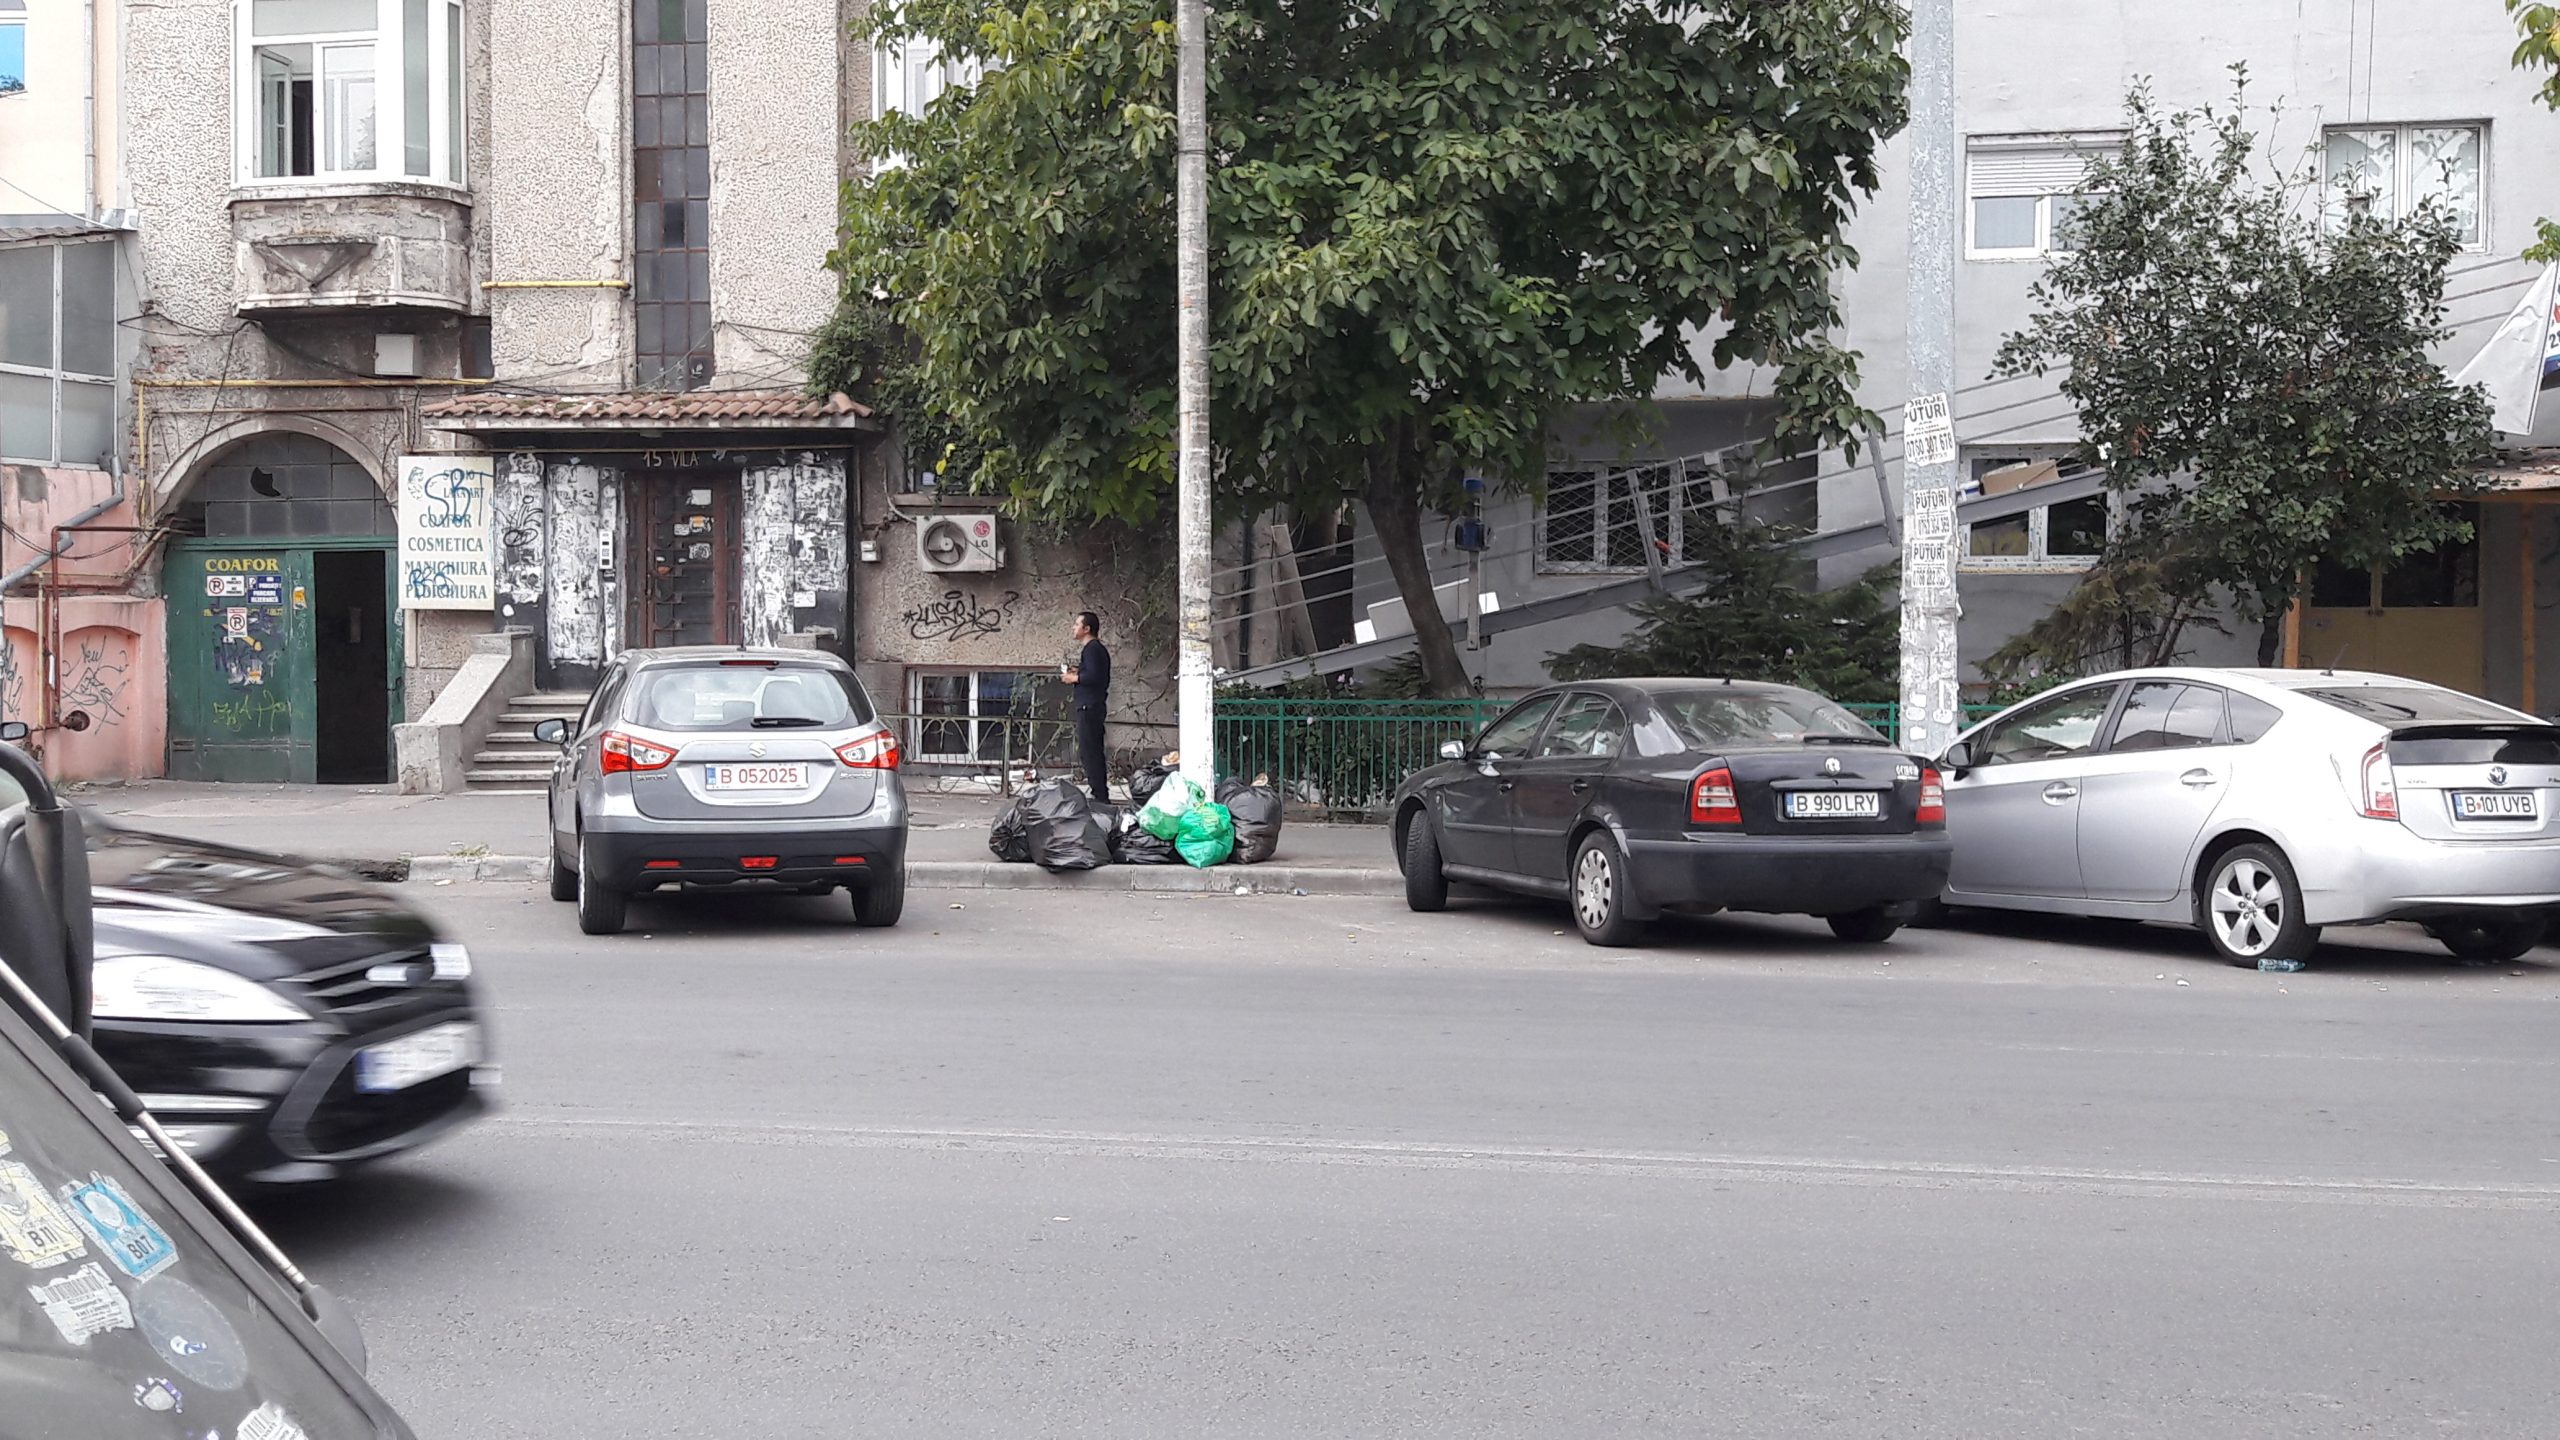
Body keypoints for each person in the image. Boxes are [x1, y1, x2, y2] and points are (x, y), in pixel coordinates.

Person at [1062, 610, 1112, 800]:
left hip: (1089, 707)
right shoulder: (1093, 650)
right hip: (1091, 706)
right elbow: (1092, 672)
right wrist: (1079, 671)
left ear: (1087, 628)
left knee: (1090, 751)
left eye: (1077, 624)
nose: (1073, 628)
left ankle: (1099, 795)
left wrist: (1073, 677)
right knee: (1090, 750)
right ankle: (1098, 792)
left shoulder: (1092, 648)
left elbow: (1094, 676)